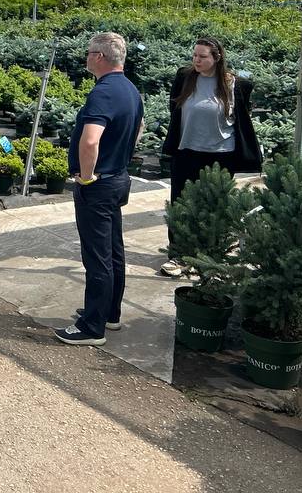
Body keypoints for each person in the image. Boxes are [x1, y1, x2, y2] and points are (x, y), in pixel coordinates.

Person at [55, 32, 144, 347]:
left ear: (100, 57)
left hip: (99, 184)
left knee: (97, 257)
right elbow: (139, 129)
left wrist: (87, 176)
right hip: (118, 178)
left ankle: (92, 327)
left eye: (89, 52)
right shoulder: (130, 89)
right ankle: (109, 313)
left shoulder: (103, 92)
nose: (86, 57)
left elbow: (90, 140)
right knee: (113, 251)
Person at [159, 37, 261, 276]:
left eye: (203, 56)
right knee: (181, 204)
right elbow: (174, 109)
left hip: (221, 156)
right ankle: (179, 256)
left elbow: (240, 119)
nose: (197, 60)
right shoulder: (185, 78)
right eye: (195, 55)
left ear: (217, 58)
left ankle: (211, 256)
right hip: (186, 152)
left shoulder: (235, 85)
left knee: (214, 206)